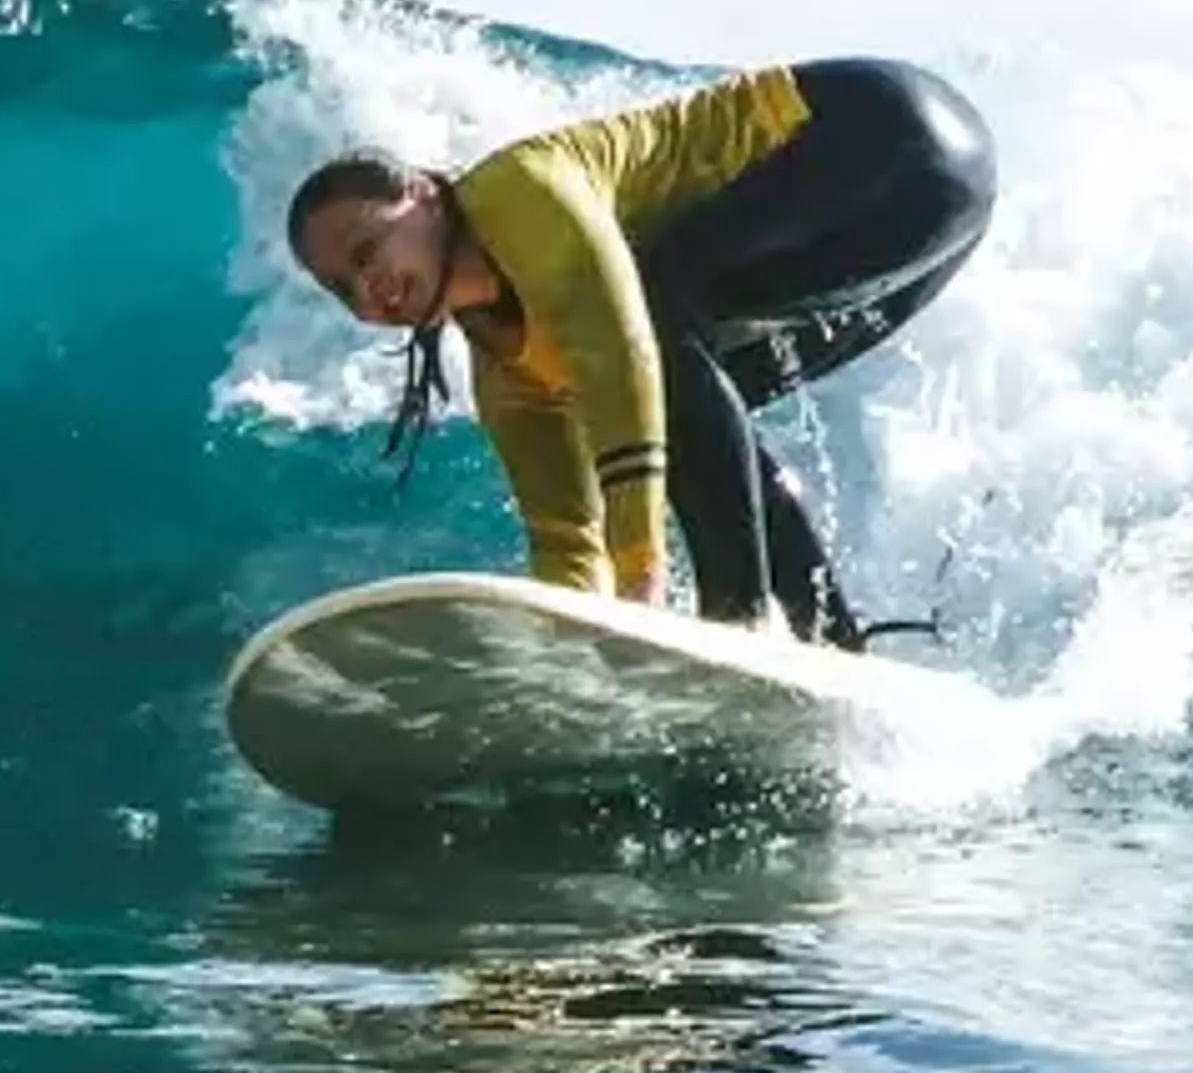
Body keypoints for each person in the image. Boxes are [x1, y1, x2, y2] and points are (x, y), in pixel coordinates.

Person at [285, 60, 995, 651]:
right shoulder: (505, 368)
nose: (367, 288)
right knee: (703, 407)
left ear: (421, 195)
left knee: (658, 317)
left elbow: (627, 364)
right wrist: (575, 657)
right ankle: (832, 642)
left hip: (885, 138)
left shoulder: (517, 192)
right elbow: (565, 539)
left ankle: (736, 615)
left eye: (367, 249)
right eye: (341, 287)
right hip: (923, 223)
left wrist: (640, 584)